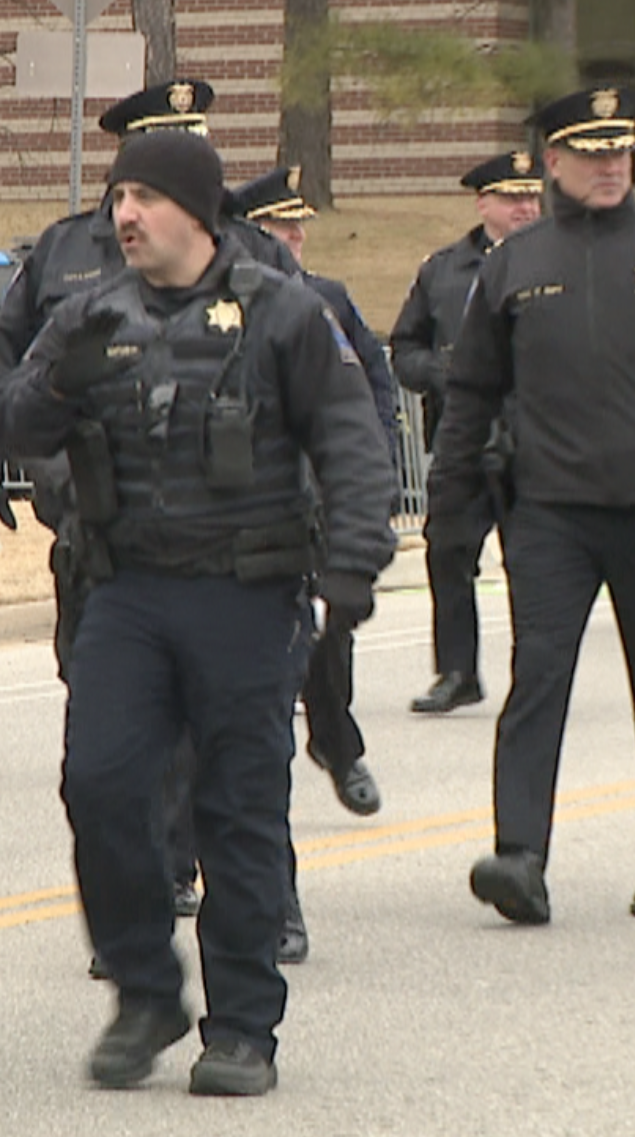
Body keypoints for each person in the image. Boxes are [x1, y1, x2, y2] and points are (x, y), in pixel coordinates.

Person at [0, 127, 394, 1098]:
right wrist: (56, 381)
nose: (123, 215)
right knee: (99, 782)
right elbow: (3, 424)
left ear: (197, 210)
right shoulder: (91, 315)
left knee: (237, 812)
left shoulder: (285, 313)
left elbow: (352, 442)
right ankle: (145, 990)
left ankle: (244, 1026)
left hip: (248, 594)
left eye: (144, 198)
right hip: (127, 591)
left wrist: (351, 565)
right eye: (117, 198)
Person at [429, 86, 635, 927]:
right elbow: (470, 392)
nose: (611, 165)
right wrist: (452, 508)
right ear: (554, 163)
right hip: (550, 511)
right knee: (538, 671)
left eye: (621, 151)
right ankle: (520, 855)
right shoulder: (514, 263)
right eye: (592, 151)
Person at [0, 79, 296, 664]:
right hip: (96, 533)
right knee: (104, 724)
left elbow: (315, 387)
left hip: (229, 543)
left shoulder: (255, 255)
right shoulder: (63, 253)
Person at [234, 166, 392, 824]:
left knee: (326, 643)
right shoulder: (229, 300)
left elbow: (372, 388)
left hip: (322, 493)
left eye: (299, 224)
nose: (294, 235)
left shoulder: (326, 297)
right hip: (257, 497)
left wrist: (367, 467)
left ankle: (336, 744)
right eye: (280, 225)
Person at [389, 150, 542, 714]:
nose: (526, 207)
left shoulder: (559, 258)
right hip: (461, 438)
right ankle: (456, 671)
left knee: (534, 560)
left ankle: (537, 673)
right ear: (483, 204)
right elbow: (405, 347)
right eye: (512, 198)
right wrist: (441, 374)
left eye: (531, 196)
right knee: (448, 551)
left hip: (534, 441)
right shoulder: (443, 270)